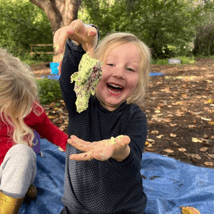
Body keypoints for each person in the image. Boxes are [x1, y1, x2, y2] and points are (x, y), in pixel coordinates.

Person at [54, 19, 151, 214]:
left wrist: (117, 150)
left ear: (139, 80)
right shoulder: (80, 105)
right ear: (95, 69)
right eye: (110, 63)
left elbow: (132, 159)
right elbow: (69, 78)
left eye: (130, 69)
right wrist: (83, 43)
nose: (119, 73)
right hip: (76, 209)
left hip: (125, 209)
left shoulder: (136, 117)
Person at [0, 48, 68, 214]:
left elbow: (53, 133)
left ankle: (8, 205)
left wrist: (76, 146)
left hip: (13, 170)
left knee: (23, 153)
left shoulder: (29, 109)